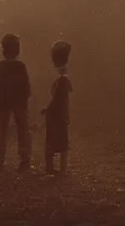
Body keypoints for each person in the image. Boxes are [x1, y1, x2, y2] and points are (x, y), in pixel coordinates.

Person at [0, 33, 31, 172]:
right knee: (22, 130)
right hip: (19, 103)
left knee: (1, 131)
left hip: (3, 103)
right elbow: (26, 86)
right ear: (17, 50)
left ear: (3, 49)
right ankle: (25, 160)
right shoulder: (21, 66)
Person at [41, 39, 72, 176]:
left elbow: (58, 99)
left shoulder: (62, 80)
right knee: (61, 142)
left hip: (56, 115)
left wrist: (48, 109)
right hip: (59, 114)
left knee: (52, 141)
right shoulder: (64, 79)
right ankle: (60, 169)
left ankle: (53, 168)